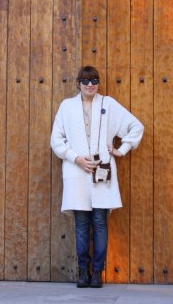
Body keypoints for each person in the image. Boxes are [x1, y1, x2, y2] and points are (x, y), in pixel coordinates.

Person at [51, 66, 144, 288]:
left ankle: (97, 274)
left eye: (94, 80)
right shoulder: (67, 107)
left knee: (100, 223)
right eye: (85, 81)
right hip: (76, 172)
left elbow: (136, 126)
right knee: (82, 225)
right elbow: (56, 140)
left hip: (102, 172)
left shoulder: (108, 104)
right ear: (78, 83)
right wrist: (76, 158)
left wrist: (121, 149)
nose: (90, 85)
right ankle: (83, 272)